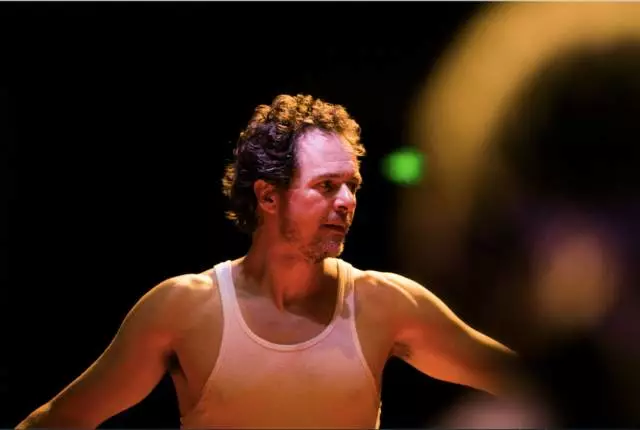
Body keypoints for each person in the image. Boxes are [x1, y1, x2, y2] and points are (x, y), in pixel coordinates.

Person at [17, 94, 523, 429]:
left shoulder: (386, 304)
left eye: (352, 186)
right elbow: (61, 420)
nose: (347, 202)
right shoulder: (182, 310)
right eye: (326, 185)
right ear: (267, 196)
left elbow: (527, 382)